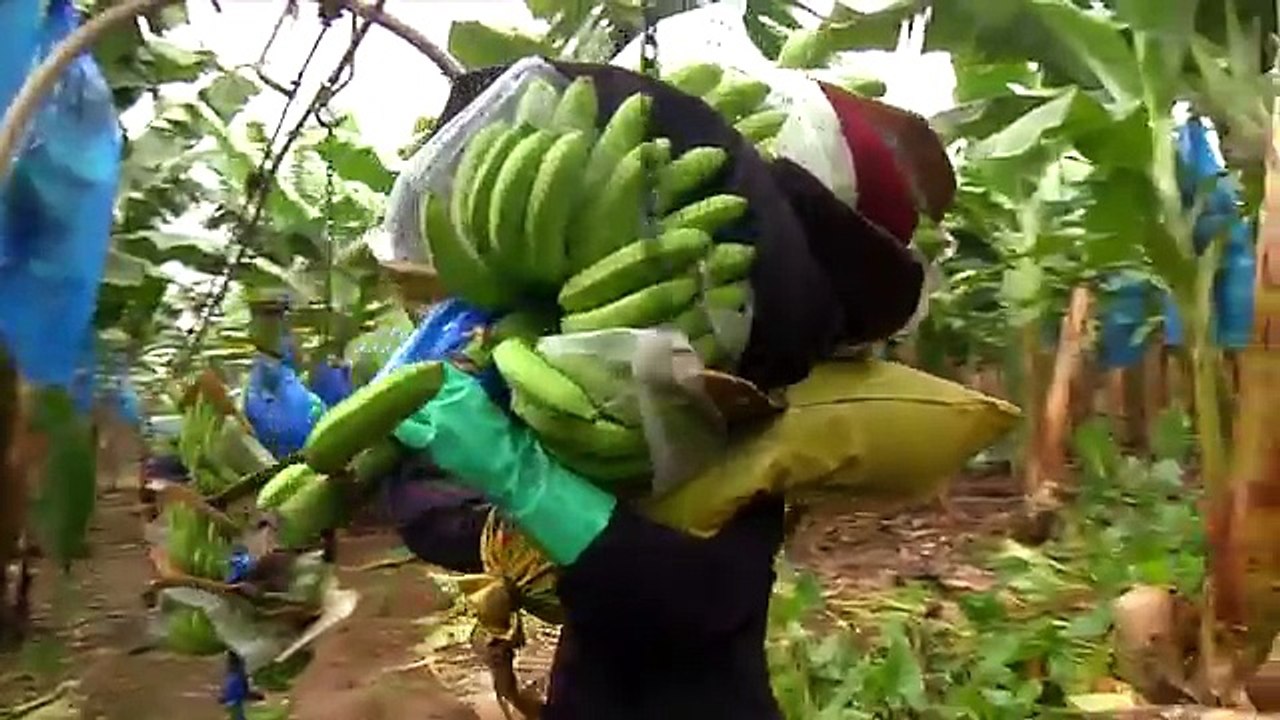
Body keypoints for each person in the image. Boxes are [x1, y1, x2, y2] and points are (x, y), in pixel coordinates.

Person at [384, 62, 955, 720]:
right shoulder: (612, 408)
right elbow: (464, 531)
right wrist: (402, 456)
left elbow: (698, 598)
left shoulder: (757, 425)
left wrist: (524, 477)